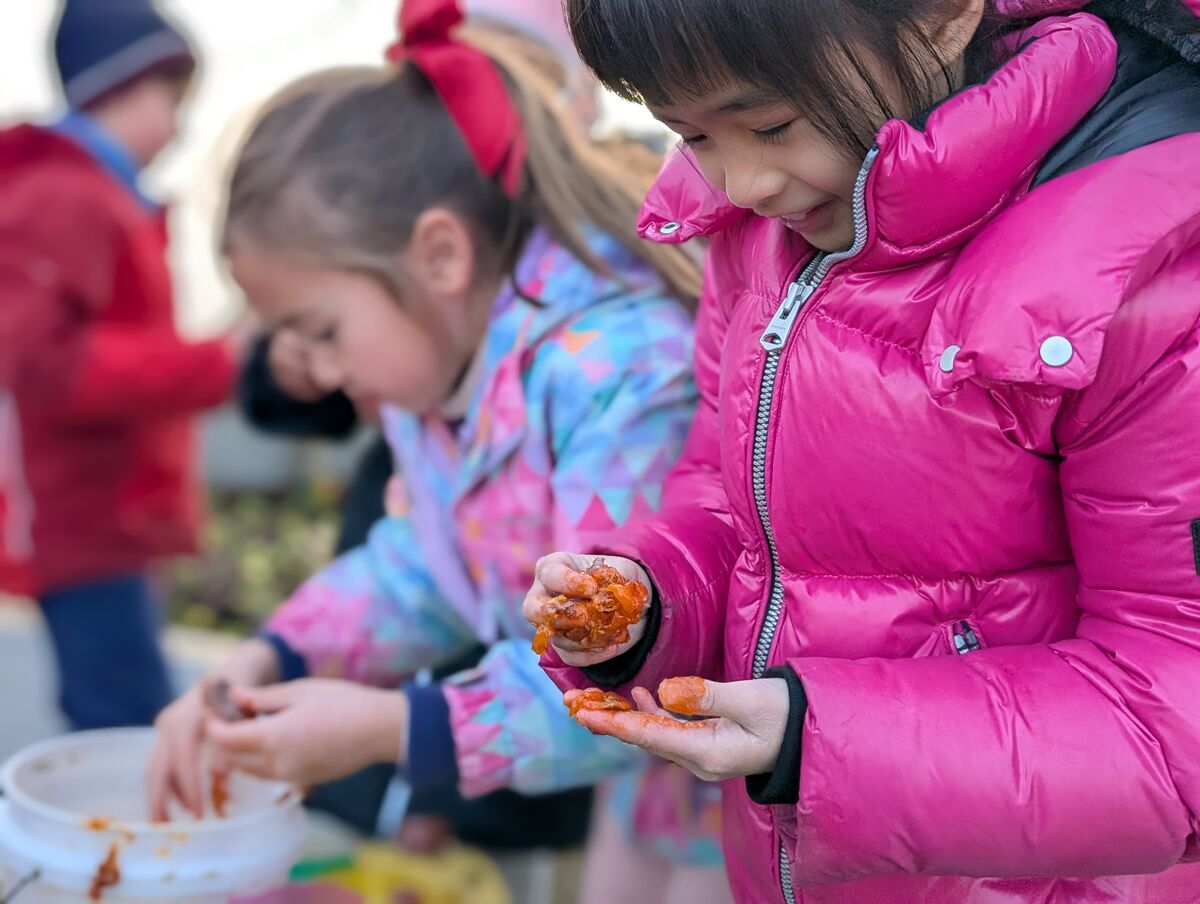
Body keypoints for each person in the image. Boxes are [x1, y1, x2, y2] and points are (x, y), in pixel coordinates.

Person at [526, 1, 1200, 902]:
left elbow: (1173, 712)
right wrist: (646, 602)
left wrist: (818, 737)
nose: (744, 180)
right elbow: (730, 502)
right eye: (687, 132)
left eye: (771, 124)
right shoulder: (757, 226)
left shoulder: (1148, 275)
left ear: (947, 15)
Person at [149, 4, 730, 899]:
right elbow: (424, 566)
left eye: (323, 330)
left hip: (747, 805)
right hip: (654, 796)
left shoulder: (619, 373)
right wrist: (269, 658)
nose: (322, 372)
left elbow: (619, 674)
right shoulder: (439, 383)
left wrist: (397, 727)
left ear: (439, 254)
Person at [0, 0, 237, 731]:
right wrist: (214, 363)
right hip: (86, 515)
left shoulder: (95, 193)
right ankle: (125, 844)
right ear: (127, 88)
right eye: (171, 99)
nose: (178, 124)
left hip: (113, 509)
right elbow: (45, 366)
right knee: (125, 716)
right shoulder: (64, 195)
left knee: (121, 700)